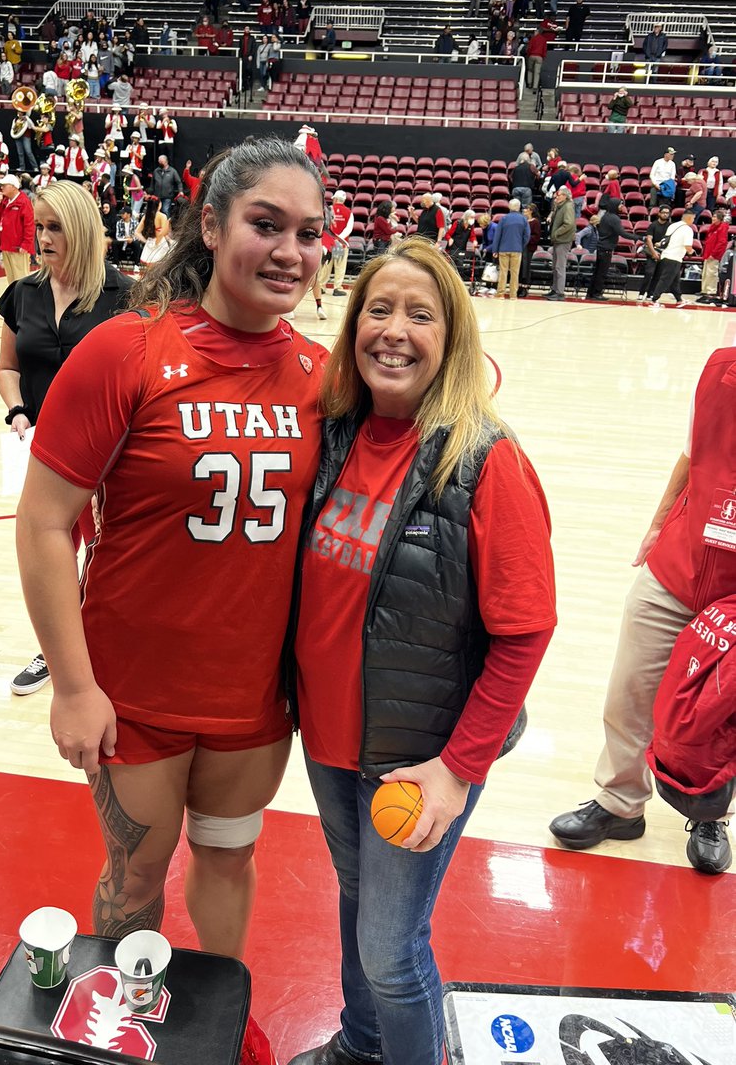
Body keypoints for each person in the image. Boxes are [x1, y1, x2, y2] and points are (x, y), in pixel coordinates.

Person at [14, 139, 328, 1065]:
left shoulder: (322, 377)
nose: (289, 252)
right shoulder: (127, 348)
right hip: (134, 694)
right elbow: (43, 525)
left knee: (231, 859)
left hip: (255, 703)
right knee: (137, 869)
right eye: (265, 225)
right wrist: (74, 688)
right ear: (211, 225)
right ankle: (121, 1017)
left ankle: (213, 1023)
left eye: (309, 234)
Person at [285, 238, 555, 1065]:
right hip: (330, 742)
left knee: (393, 953)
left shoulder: (487, 460)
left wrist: (457, 767)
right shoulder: (331, 435)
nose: (393, 330)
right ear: (352, 323)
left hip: (416, 759)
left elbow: (527, 629)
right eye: (377, 308)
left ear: (453, 338)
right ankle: (361, 1046)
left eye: (420, 314)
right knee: (359, 904)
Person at [549, 346, 736, 874]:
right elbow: (690, 453)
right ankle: (620, 802)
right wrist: (658, 525)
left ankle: (710, 815)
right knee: (630, 691)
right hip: (680, 563)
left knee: (716, 719)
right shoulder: (722, 368)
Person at [0, 181, 134, 695]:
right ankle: (54, 651)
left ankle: (99, 647)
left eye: (56, 227)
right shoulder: (22, 293)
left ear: (80, 230)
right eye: (40, 226)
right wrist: (14, 409)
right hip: (43, 453)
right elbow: (8, 367)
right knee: (49, 550)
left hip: (108, 453)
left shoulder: (126, 296)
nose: (44, 237)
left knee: (107, 553)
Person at [584, 197, 634, 301]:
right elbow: (622, 233)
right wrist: (639, 237)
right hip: (606, 248)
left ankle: (591, 293)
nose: (622, 206)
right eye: (620, 205)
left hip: (601, 247)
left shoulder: (606, 216)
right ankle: (597, 293)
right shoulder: (614, 218)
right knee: (601, 272)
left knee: (597, 271)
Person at [647, 209, 695, 308]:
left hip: (666, 255)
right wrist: (691, 252)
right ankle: (654, 300)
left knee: (675, 280)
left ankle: (679, 300)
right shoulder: (687, 229)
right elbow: (687, 246)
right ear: (689, 218)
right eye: (693, 218)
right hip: (674, 257)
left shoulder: (673, 225)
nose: (693, 221)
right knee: (665, 280)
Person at [0, 174, 35, 283]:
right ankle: (14, 299)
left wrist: (26, 244)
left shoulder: (23, 202)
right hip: (6, 245)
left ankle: (24, 299)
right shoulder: (6, 201)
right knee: (11, 279)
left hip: (18, 247)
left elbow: (29, 225)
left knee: (21, 277)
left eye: (4, 185)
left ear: (13, 186)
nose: (1, 188)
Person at [492, 198, 529, 300]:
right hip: (517, 249)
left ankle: (500, 294)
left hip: (503, 249)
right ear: (519, 207)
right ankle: (513, 295)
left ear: (509, 207)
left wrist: (495, 249)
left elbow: (497, 235)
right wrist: (521, 245)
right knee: (515, 272)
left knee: (503, 272)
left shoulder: (504, 219)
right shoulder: (523, 219)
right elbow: (527, 235)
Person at [318, 189, 354, 296]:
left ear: (336, 199)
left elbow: (324, 225)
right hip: (341, 244)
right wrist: (339, 238)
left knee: (325, 265)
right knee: (339, 266)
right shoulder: (349, 212)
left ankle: (321, 286)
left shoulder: (329, 209)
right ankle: (337, 288)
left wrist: (332, 238)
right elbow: (349, 228)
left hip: (328, 243)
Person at [637, 203, 672, 303]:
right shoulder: (653, 225)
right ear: (659, 213)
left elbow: (669, 239)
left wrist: (661, 245)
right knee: (649, 273)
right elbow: (649, 239)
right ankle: (641, 293)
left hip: (664, 253)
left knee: (658, 275)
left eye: (667, 213)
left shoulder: (670, 226)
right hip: (652, 252)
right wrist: (653, 252)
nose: (665, 214)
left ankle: (650, 293)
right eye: (663, 212)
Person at [546, 185, 575, 301]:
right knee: (555, 266)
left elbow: (569, 224)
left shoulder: (568, 207)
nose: (555, 196)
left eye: (558, 195)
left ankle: (560, 293)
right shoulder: (559, 206)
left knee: (560, 266)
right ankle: (554, 289)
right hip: (558, 240)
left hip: (563, 240)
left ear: (564, 196)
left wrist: (557, 233)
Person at [697, 208, 729, 305]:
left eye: (715, 217)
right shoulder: (713, 228)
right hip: (708, 254)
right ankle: (705, 290)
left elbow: (722, 243)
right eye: (713, 217)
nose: (713, 219)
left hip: (714, 255)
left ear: (720, 219)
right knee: (706, 273)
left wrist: (714, 254)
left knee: (712, 273)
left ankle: (711, 292)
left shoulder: (722, 228)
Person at [134, 195, 171, 266]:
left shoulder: (146, 216)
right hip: (160, 243)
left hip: (150, 242)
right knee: (159, 270)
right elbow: (163, 232)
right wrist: (157, 243)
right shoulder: (162, 216)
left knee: (149, 271)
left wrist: (145, 241)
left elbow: (137, 232)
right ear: (159, 204)